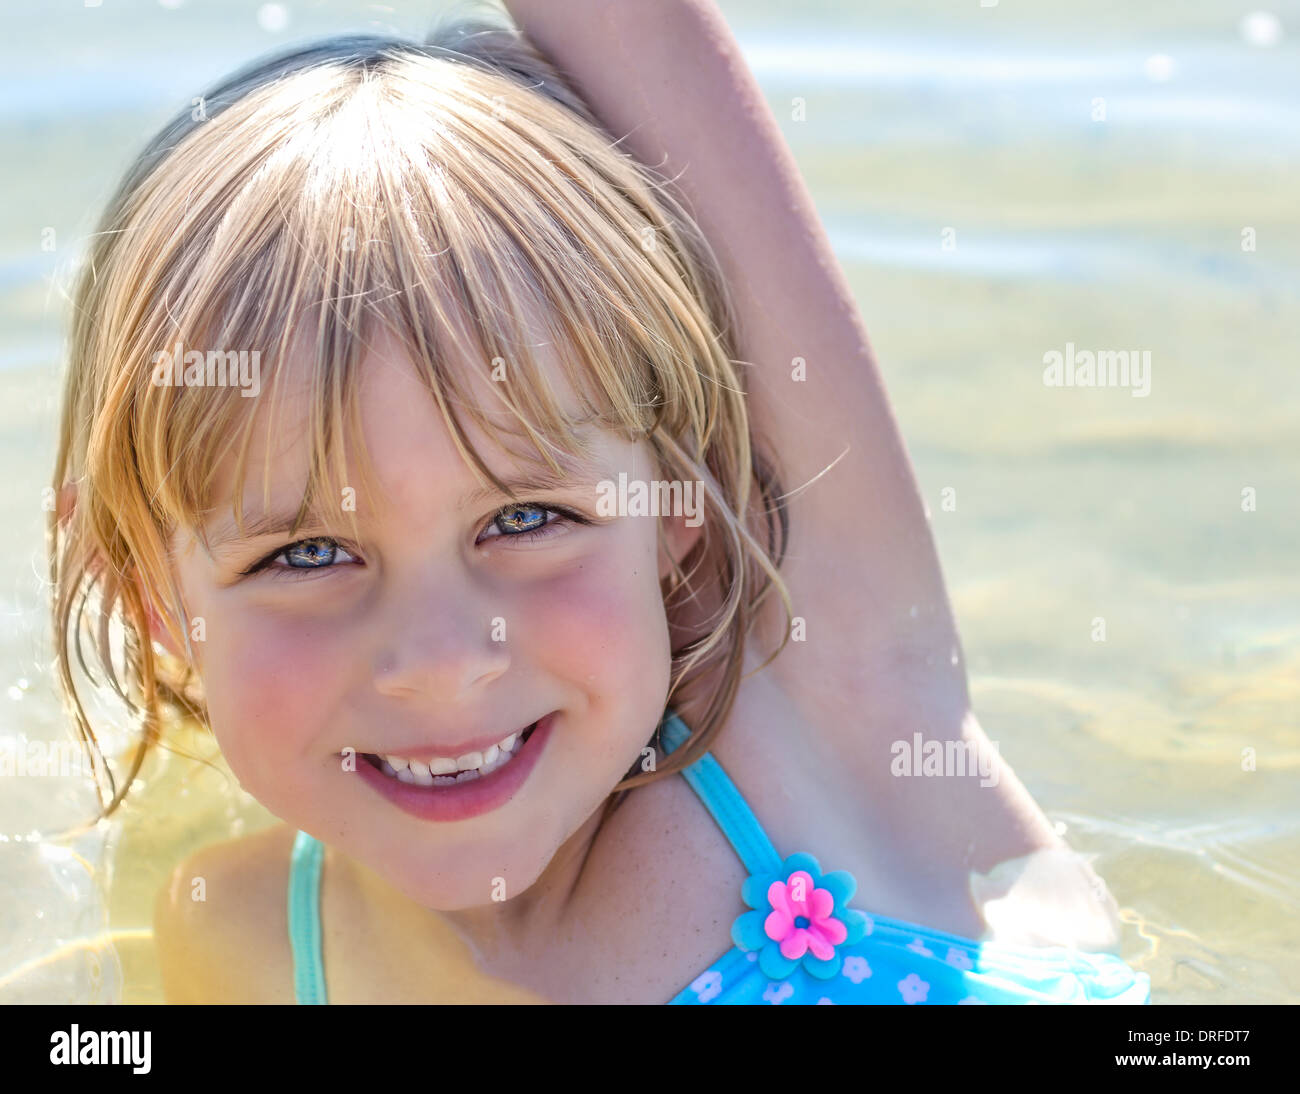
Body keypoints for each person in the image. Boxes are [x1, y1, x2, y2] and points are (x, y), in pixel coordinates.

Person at [49, 0, 1149, 1003]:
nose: (440, 658)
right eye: (306, 554)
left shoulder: (822, 720)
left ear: (680, 498)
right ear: (146, 590)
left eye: (525, 519)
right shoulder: (248, 945)